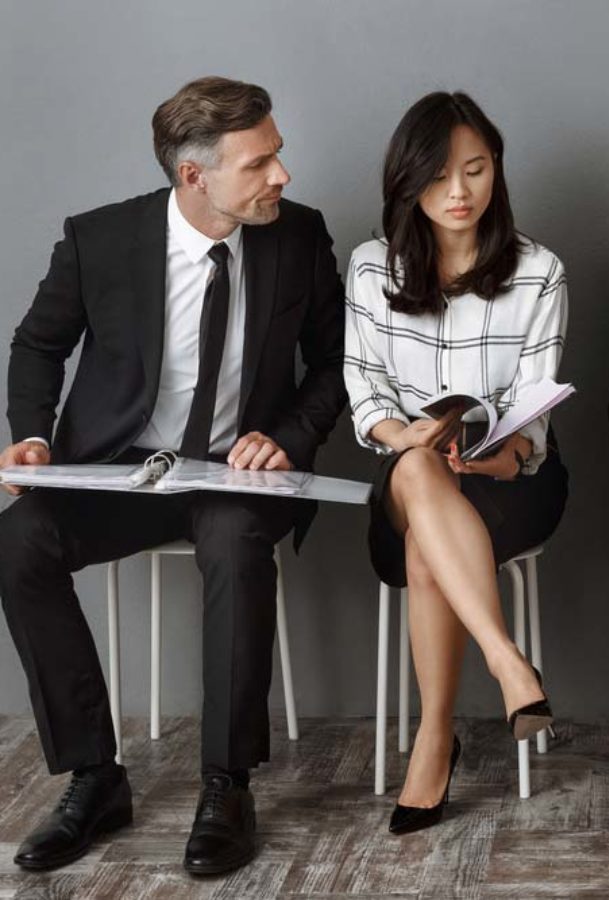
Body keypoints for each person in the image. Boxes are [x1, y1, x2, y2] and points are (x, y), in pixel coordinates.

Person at [0, 76, 347, 875]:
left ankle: (227, 784)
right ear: (195, 176)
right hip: (123, 471)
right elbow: (36, 345)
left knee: (232, 543)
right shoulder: (101, 241)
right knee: (19, 540)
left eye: (279, 156)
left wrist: (288, 436)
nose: (282, 178)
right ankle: (95, 776)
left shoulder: (299, 238)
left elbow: (336, 362)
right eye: (260, 164)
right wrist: (30, 437)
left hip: (234, 475)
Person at [344, 91, 568, 836]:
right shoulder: (371, 267)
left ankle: (434, 739)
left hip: (508, 482)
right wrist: (405, 437)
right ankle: (509, 663)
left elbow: (536, 411)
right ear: (408, 182)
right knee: (414, 472)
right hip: (409, 473)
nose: (461, 192)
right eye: (440, 177)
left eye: (476, 171)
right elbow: (365, 395)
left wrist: (506, 455)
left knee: (426, 538)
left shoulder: (539, 272)